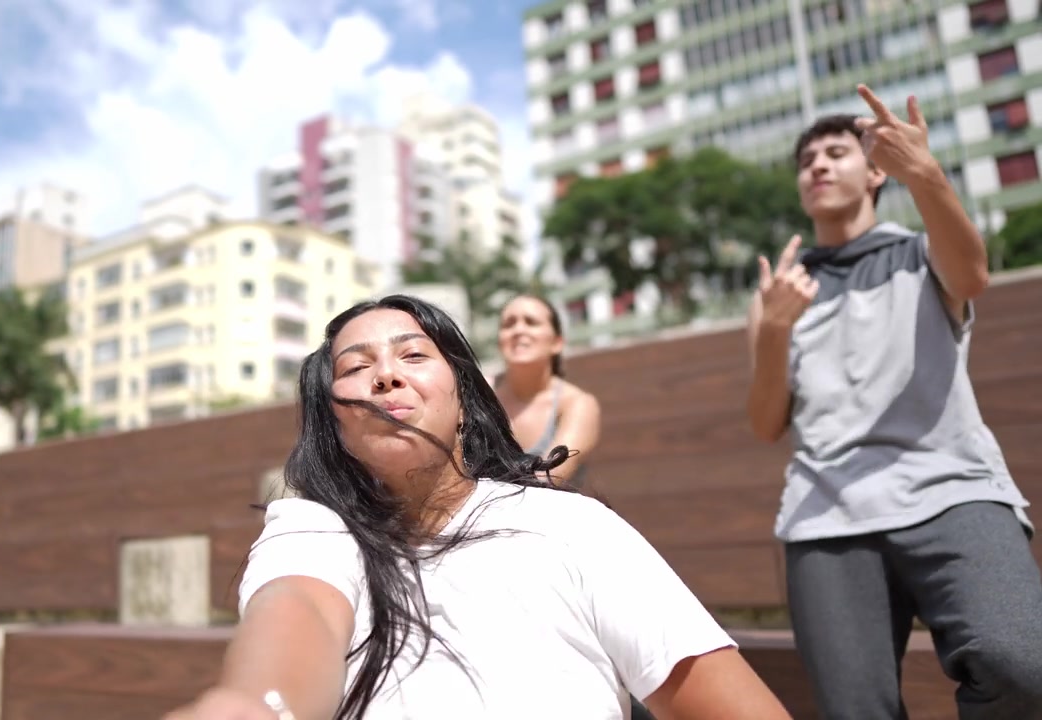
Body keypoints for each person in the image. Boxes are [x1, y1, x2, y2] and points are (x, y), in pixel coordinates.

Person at [168, 295, 791, 720]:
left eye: (414, 355)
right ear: (332, 423)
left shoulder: (572, 527)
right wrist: (255, 706)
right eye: (356, 367)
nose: (386, 376)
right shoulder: (313, 529)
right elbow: (298, 608)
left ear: (466, 398)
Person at [745, 83, 1042, 719]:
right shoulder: (780, 292)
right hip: (827, 511)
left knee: (1022, 666)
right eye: (806, 161)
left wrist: (926, 172)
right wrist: (773, 329)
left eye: (835, 153)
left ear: (877, 171)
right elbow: (767, 423)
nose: (817, 166)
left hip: (952, 488)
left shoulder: (920, 250)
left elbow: (973, 275)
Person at [494, 294, 600, 487]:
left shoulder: (578, 404)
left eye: (531, 322)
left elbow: (550, 477)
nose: (518, 330)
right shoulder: (479, 394)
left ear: (557, 343)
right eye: (509, 324)